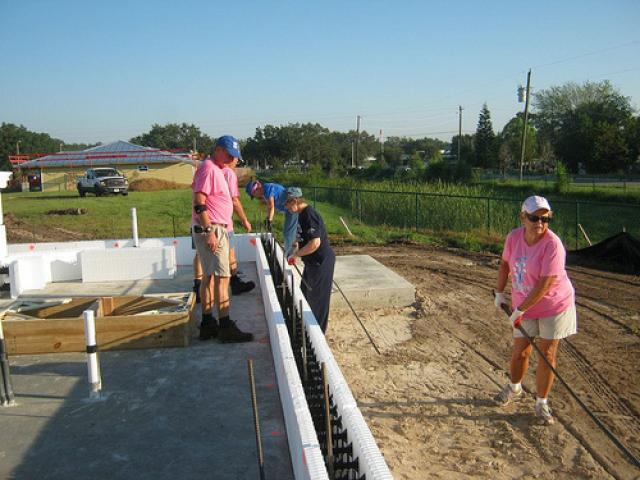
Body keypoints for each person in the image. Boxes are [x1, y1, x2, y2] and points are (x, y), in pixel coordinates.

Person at [494, 195, 577, 425]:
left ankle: (542, 402)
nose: (540, 223)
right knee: (520, 350)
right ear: (523, 217)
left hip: (554, 305)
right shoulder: (513, 238)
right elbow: (504, 265)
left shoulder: (553, 244)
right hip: (525, 304)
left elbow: (546, 282)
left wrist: (520, 309)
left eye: (545, 218)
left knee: (547, 354)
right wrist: (499, 292)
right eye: (534, 218)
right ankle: (514, 387)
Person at [192, 135, 253, 343]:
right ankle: (225, 327)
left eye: (233, 156)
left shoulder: (216, 168)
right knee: (222, 277)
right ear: (217, 150)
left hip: (215, 227)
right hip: (213, 228)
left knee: (209, 277)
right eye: (228, 155)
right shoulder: (209, 168)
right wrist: (209, 230)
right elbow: (199, 201)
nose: (230, 159)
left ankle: (208, 324)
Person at [285, 187, 335, 333]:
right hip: (312, 263)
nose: (286, 207)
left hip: (321, 262)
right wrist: (295, 246)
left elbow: (315, 243)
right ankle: (306, 328)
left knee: (317, 300)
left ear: (295, 201)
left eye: (287, 204)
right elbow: (303, 238)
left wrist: (296, 255)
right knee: (305, 295)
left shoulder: (309, 214)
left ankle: (317, 333)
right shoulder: (300, 214)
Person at [222, 156, 255, 295]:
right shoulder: (228, 173)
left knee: (201, 257)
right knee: (231, 255)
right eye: (237, 160)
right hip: (223, 223)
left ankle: (198, 286)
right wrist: (244, 220)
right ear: (230, 158)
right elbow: (234, 200)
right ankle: (235, 284)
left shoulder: (208, 169)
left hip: (202, 221)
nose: (237, 164)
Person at [245, 180, 298, 255]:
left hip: (293, 208)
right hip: (289, 209)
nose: (256, 197)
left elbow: (271, 206)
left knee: (288, 233)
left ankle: (290, 255)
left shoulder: (267, 189)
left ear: (255, 190)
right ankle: (293, 250)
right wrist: (268, 218)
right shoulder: (266, 190)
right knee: (293, 232)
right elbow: (270, 207)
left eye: (253, 195)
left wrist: (269, 221)